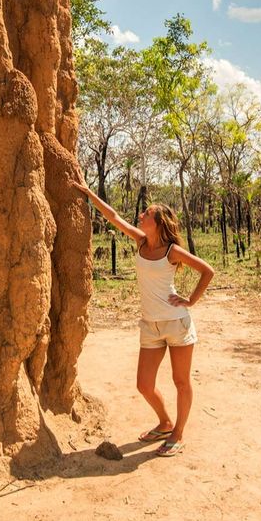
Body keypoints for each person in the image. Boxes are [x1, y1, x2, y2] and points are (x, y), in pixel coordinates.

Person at [74, 181, 215, 457]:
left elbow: (207, 271)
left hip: (177, 324)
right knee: (144, 384)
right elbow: (114, 217)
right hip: (150, 325)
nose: (141, 215)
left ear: (159, 222)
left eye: (147, 213)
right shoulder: (140, 242)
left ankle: (178, 434)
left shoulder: (171, 251)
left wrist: (190, 301)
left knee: (181, 381)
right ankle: (164, 422)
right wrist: (89, 194)